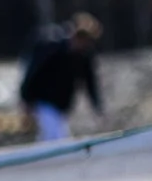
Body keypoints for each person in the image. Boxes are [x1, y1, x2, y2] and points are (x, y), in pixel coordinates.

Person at [18, 13, 103, 142]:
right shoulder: (53, 48)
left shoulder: (83, 57)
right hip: (44, 100)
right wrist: (26, 99)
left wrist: (96, 105)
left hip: (62, 106)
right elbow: (33, 73)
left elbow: (90, 82)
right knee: (56, 138)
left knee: (53, 137)